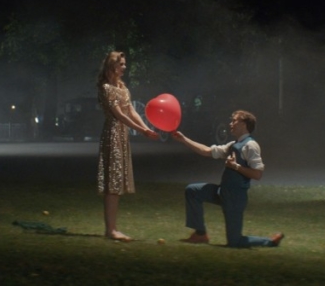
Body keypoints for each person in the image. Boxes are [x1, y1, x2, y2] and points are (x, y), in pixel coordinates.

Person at [171, 110, 284, 248]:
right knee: (193, 191)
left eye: (234, 121)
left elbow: (257, 174)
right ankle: (200, 234)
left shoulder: (251, 146)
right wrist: (183, 139)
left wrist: (236, 166)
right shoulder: (233, 145)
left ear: (244, 124)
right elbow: (207, 151)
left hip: (235, 198)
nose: (231, 124)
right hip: (223, 192)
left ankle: (270, 242)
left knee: (234, 242)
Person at [96, 51, 158, 242]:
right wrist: (140, 130)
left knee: (117, 182)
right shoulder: (106, 88)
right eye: (121, 64)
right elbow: (119, 115)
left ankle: (113, 228)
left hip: (122, 135)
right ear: (113, 65)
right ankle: (111, 230)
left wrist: (146, 128)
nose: (124, 67)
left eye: (124, 64)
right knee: (113, 182)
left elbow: (131, 111)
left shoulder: (123, 88)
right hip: (113, 135)